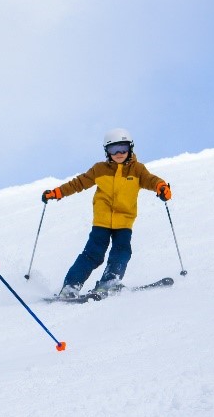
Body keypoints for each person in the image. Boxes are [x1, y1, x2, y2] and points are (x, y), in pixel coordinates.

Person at [41, 128, 172, 299]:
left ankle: (109, 282)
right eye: (113, 149)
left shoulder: (137, 170)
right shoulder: (100, 169)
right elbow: (78, 183)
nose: (118, 153)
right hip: (101, 222)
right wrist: (58, 192)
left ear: (130, 148)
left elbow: (151, 180)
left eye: (123, 148)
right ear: (106, 151)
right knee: (92, 254)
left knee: (121, 252)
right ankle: (71, 286)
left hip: (124, 222)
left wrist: (161, 187)